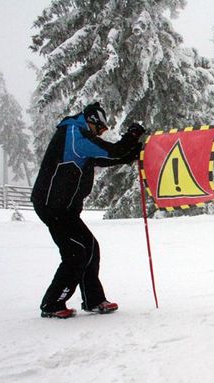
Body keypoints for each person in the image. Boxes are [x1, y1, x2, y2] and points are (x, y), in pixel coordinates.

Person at [31, 102, 145, 319]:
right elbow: (111, 151)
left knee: (90, 247)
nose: (101, 133)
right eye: (100, 129)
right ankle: (52, 303)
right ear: (91, 122)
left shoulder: (80, 137)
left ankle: (93, 299)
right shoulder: (74, 137)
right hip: (52, 206)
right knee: (76, 253)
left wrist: (134, 153)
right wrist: (131, 137)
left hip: (65, 209)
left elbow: (106, 157)